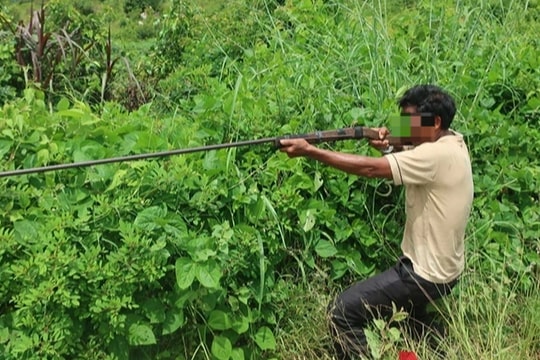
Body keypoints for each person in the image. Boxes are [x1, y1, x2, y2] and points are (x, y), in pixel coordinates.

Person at [278, 84, 474, 359]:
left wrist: (311, 151)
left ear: (436, 122)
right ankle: (436, 346)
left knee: (341, 312)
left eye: (410, 121)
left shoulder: (434, 155)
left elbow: (370, 169)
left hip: (424, 276)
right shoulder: (453, 141)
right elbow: (408, 147)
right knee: (410, 317)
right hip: (446, 271)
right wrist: (388, 142)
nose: (403, 127)